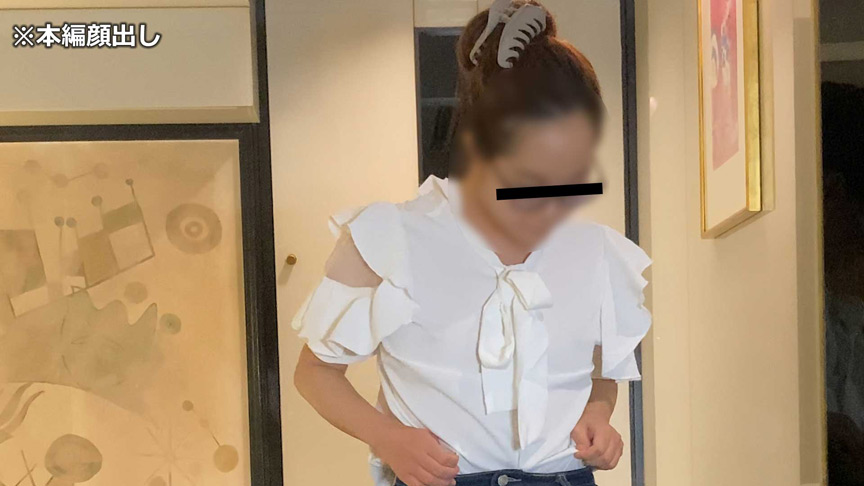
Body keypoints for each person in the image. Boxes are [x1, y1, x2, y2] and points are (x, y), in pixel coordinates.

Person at [292, 2, 652, 485]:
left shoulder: (597, 252)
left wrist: (598, 413)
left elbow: (601, 370)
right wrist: (387, 437)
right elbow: (315, 372)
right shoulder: (391, 237)